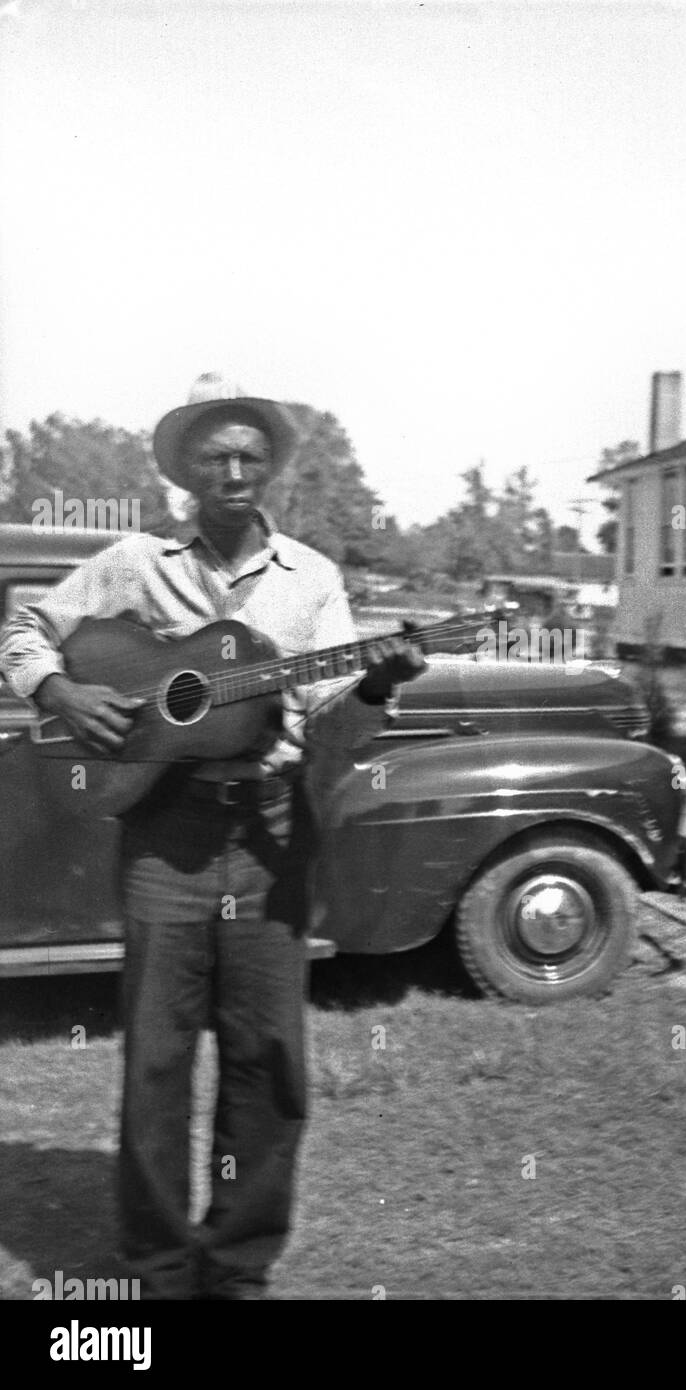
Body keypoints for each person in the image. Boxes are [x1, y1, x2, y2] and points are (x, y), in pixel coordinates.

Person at [0, 372, 425, 1299]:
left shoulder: (313, 579)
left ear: (269, 468)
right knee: (156, 1055)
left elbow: (330, 730)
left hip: (272, 832)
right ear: (185, 469)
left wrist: (377, 689)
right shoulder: (132, 560)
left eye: (249, 456)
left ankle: (238, 1265)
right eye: (214, 456)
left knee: (268, 1055)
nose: (233, 471)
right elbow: (24, 628)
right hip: (165, 833)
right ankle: (156, 1264)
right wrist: (62, 690)